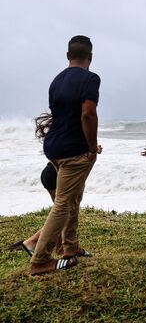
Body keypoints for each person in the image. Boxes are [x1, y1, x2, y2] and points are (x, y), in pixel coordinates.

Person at [29, 35, 101, 276]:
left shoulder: (56, 80)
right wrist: (92, 147)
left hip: (54, 147)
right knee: (63, 204)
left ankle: (70, 248)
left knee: (72, 199)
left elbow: (61, 116)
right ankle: (39, 260)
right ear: (90, 57)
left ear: (68, 56)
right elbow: (87, 114)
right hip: (74, 151)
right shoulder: (90, 78)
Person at [10, 114, 102, 257]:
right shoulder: (75, 132)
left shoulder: (63, 133)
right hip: (53, 175)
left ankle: (59, 248)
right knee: (64, 213)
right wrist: (92, 149)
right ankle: (31, 243)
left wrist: (94, 147)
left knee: (65, 212)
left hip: (49, 173)